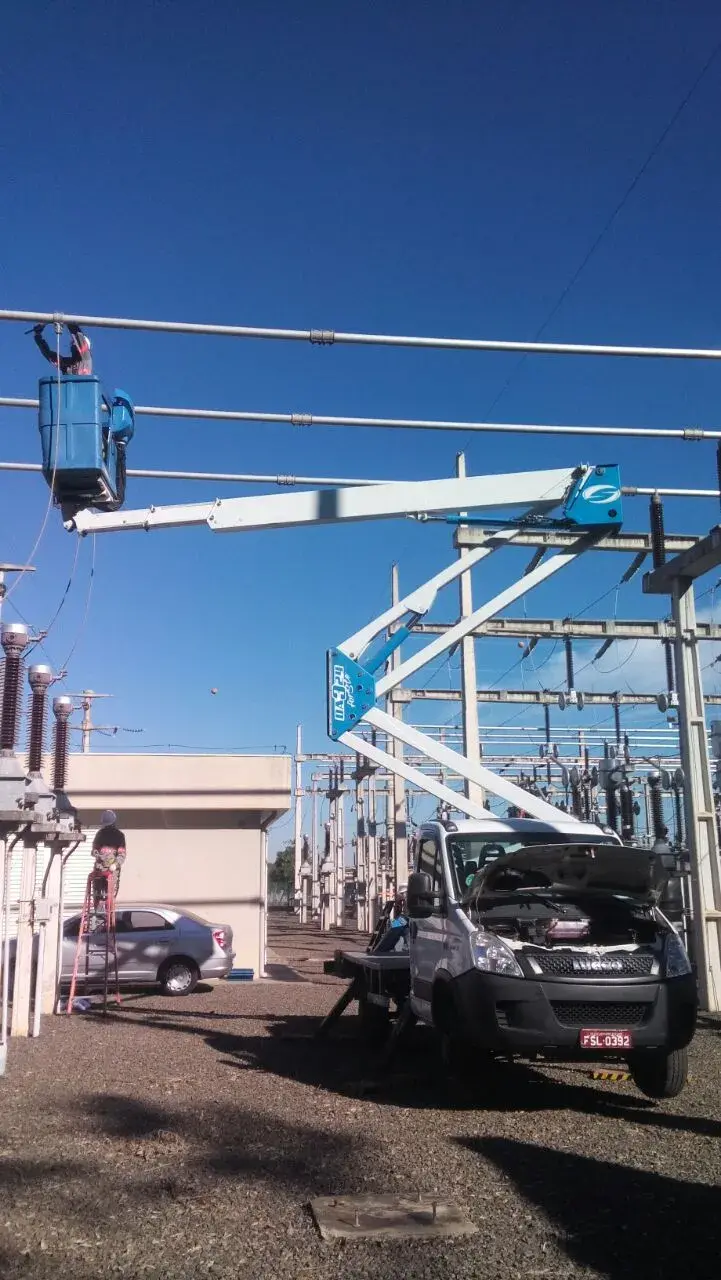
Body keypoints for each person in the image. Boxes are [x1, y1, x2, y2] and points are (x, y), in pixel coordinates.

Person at [91, 810, 126, 909]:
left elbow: (121, 854)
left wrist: (115, 864)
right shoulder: (100, 834)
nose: (107, 828)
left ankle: (108, 909)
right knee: (97, 893)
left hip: (112, 870)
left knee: (109, 895)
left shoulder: (119, 836)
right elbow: (94, 850)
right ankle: (97, 909)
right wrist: (99, 857)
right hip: (99, 869)